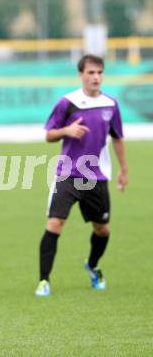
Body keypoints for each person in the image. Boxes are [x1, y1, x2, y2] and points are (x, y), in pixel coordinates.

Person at [35, 54, 128, 297]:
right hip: (68, 174)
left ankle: (93, 265)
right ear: (81, 75)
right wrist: (67, 130)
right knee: (55, 223)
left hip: (97, 177)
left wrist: (124, 170)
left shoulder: (111, 104)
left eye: (99, 72)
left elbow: (117, 137)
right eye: (90, 72)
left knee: (102, 230)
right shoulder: (68, 102)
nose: (95, 77)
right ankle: (44, 280)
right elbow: (49, 135)